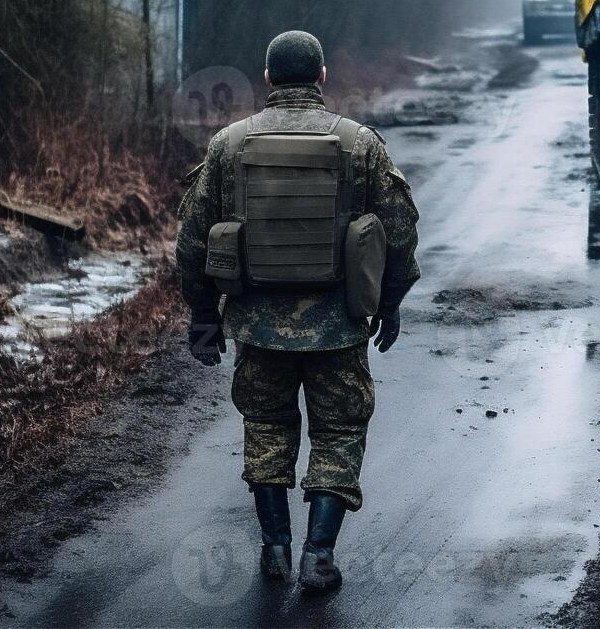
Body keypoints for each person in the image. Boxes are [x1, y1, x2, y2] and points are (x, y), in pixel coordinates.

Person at [176, 31, 420, 592]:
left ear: (266, 79)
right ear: (322, 78)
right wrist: (390, 304)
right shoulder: (360, 144)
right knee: (338, 432)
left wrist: (203, 314)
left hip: (257, 326)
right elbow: (400, 232)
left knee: (266, 428)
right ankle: (319, 556)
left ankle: (275, 550)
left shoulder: (229, 144)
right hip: (338, 326)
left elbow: (191, 239)